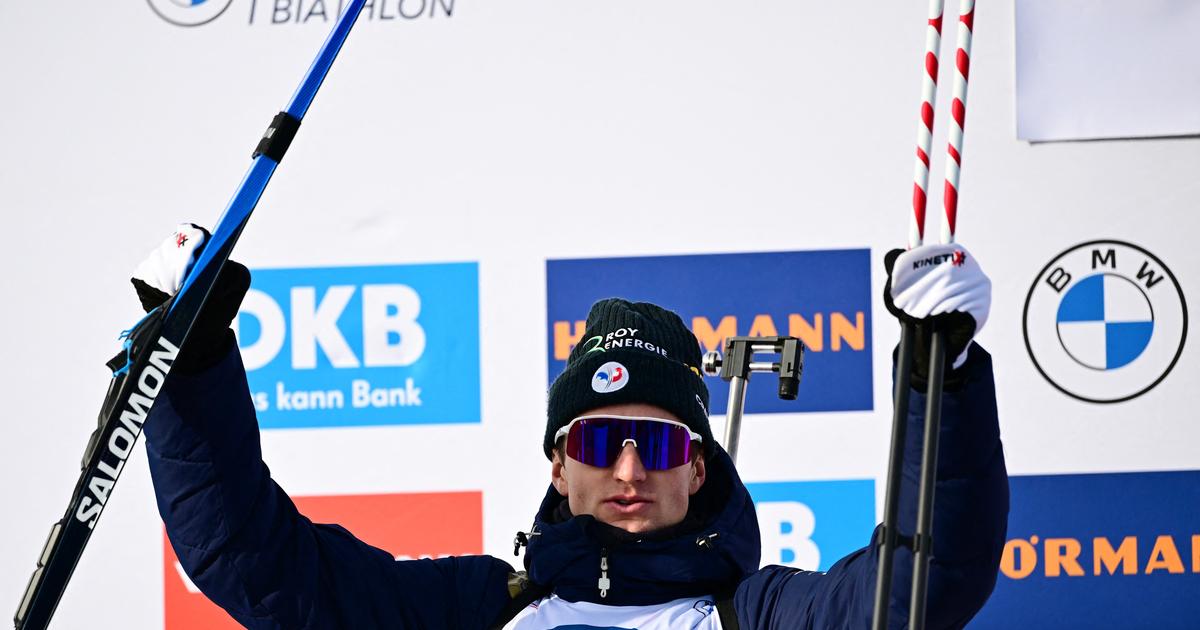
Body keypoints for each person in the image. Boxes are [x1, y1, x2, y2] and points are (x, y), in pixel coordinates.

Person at [137, 224, 1008, 629]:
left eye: (660, 443)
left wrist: (946, 375)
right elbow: (261, 566)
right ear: (561, 466)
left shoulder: (763, 614)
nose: (630, 469)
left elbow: (920, 586)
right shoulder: (479, 610)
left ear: (698, 469)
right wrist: (195, 358)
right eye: (599, 441)